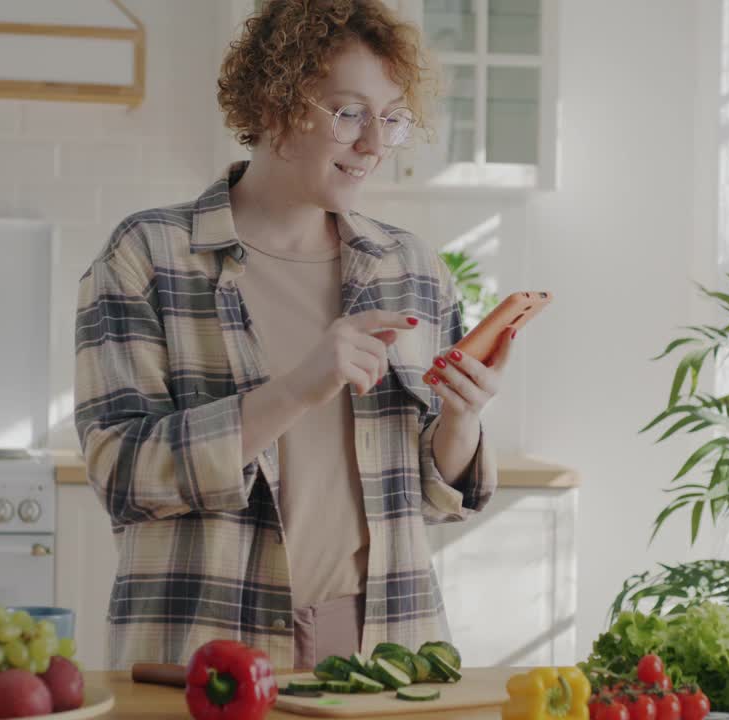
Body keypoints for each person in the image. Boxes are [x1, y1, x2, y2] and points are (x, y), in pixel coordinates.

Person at [73, 0, 508, 670]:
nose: (372, 145)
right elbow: (122, 473)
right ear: (276, 103)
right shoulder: (149, 254)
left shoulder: (411, 268)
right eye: (349, 112)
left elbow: (432, 496)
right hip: (207, 647)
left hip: (385, 644)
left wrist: (462, 419)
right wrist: (301, 386)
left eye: (390, 119)